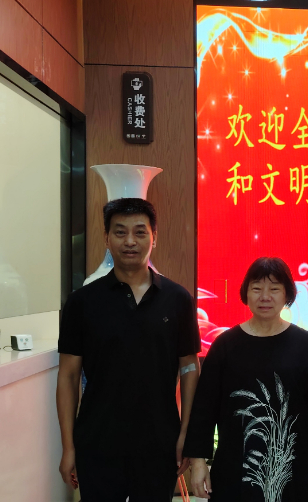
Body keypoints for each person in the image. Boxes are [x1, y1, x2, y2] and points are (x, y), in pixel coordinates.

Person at [56, 198, 201, 501]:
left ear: (154, 237)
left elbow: (189, 368)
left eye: (140, 232)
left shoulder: (177, 299)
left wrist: (186, 434)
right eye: (120, 232)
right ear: (106, 238)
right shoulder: (82, 302)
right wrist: (69, 447)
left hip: (159, 441)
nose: (130, 241)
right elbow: (68, 377)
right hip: (97, 441)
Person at [184, 257, 308, 501]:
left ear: (287, 294)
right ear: (246, 293)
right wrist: (198, 462)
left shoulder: (306, 345)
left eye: (274, 289)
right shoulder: (225, 346)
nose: (265, 297)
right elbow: (204, 408)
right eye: (257, 288)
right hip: (234, 467)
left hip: (294, 468)